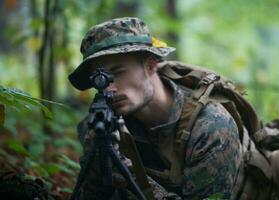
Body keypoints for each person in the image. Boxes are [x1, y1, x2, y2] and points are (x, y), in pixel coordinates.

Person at [68, 17, 242, 199]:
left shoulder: (210, 127)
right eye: (100, 79)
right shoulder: (105, 125)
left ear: (150, 65)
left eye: (118, 72)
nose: (109, 88)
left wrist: (129, 176)